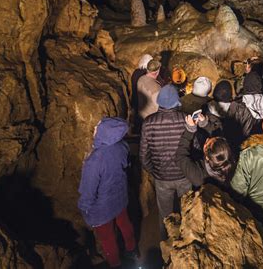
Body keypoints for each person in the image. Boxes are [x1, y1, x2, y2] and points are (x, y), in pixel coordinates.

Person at [78, 117, 137, 268]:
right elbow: (126, 166)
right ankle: (132, 250)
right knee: (124, 223)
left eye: (98, 127)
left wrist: (85, 209)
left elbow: (87, 191)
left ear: (105, 133)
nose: (95, 129)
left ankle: (115, 264)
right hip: (120, 198)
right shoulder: (122, 146)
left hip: (102, 208)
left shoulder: (94, 160)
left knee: (107, 238)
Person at [139, 84, 191, 240]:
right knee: (188, 211)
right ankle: (187, 241)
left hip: (161, 177)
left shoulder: (148, 123)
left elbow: (143, 155)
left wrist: (154, 171)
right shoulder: (185, 119)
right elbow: (194, 147)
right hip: (184, 175)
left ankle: (165, 244)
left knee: (164, 215)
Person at [175, 113, 236, 187]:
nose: (207, 139)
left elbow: (180, 157)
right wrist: (205, 124)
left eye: (206, 144)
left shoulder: (199, 176)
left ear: (207, 157)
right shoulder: (225, 161)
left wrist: (190, 130)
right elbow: (216, 140)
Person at [206, 80, 257, 149]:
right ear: (230, 95)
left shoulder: (206, 108)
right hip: (237, 148)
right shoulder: (241, 110)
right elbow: (247, 131)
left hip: (215, 150)